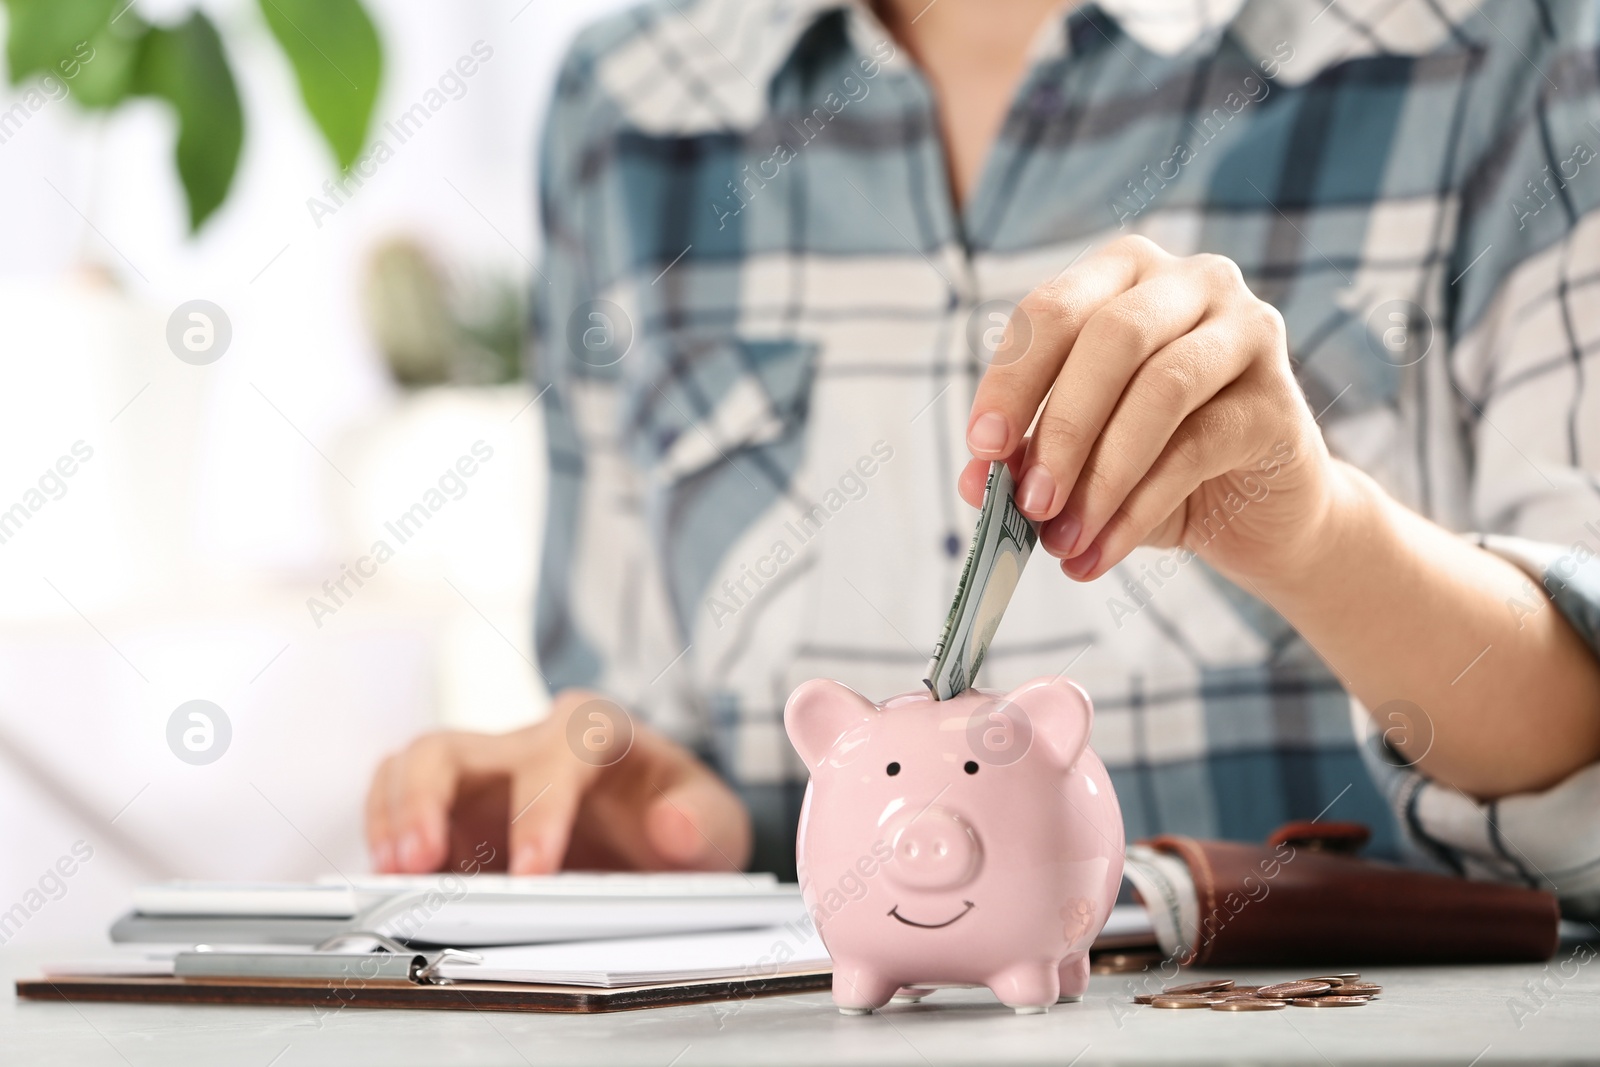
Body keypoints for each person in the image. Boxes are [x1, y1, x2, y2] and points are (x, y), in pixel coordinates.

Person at [365, 0, 1600, 916]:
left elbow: (1583, 744)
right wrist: (633, 807)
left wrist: (1319, 534)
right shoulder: (626, 105)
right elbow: (658, 719)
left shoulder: (1495, 45)